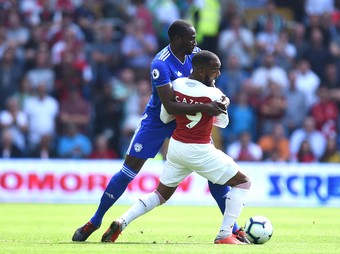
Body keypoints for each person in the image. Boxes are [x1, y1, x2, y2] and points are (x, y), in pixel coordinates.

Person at [72, 20, 237, 242]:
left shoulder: (195, 55)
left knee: (214, 173)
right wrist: (206, 107)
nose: (195, 42)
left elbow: (209, 79)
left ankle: (233, 229)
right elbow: (169, 105)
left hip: (187, 121)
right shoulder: (161, 64)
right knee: (128, 171)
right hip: (158, 120)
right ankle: (96, 219)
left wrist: (216, 97)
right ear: (177, 40)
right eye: (191, 38)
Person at [100, 50, 251, 244]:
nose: (218, 74)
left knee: (160, 194)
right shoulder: (214, 94)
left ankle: (122, 221)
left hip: (177, 147)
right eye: (215, 70)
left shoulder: (176, 86)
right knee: (243, 182)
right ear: (202, 71)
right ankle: (225, 234)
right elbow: (222, 123)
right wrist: (218, 100)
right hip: (200, 149)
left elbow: (165, 116)